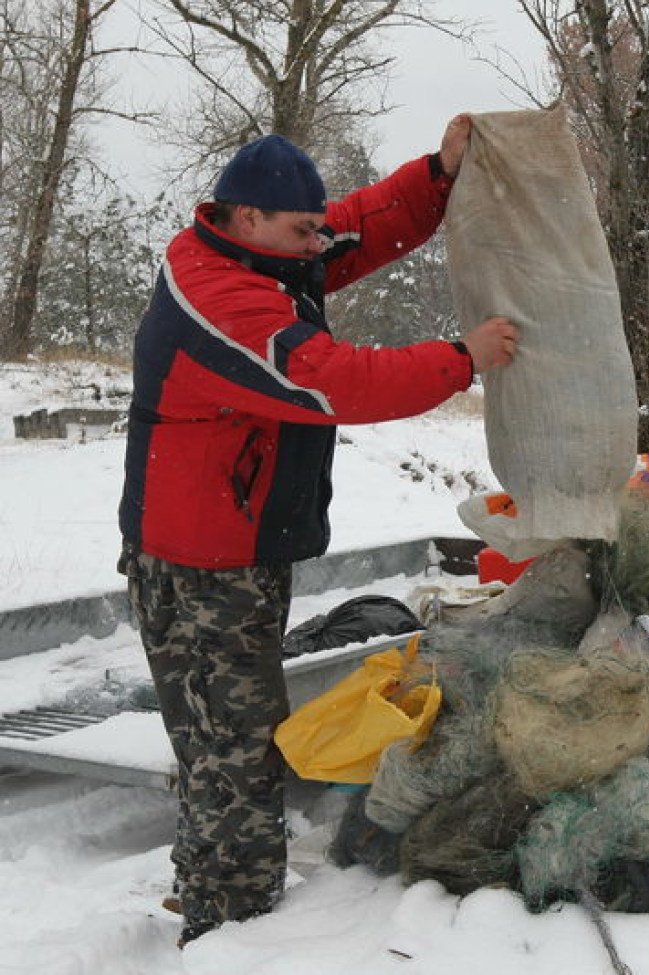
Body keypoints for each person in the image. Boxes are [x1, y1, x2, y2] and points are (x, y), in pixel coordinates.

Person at [116, 119, 518, 947]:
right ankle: (230, 928)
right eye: (303, 229)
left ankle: (211, 884)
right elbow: (334, 379)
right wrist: (462, 357)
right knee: (234, 751)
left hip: (236, 545)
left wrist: (437, 175)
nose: (319, 243)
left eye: (314, 228)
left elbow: (360, 224)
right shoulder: (221, 301)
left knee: (223, 741)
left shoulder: (265, 255)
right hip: (199, 566)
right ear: (245, 216)